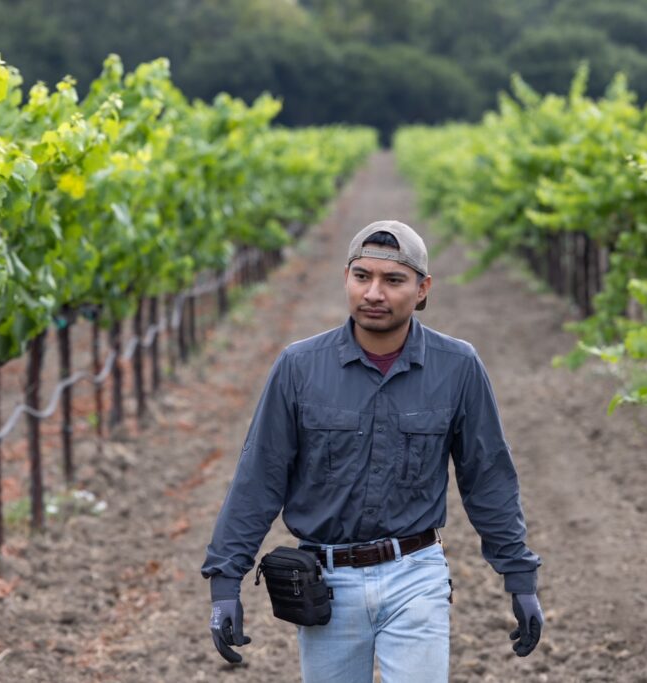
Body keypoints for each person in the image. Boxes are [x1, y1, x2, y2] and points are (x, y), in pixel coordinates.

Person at [201, 220, 543, 682]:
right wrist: (226, 581)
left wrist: (518, 578)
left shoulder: (458, 367)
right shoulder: (299, 367)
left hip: (415, 575)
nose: (374, 293)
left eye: (393, 280)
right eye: (362, 276)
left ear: (422, 289)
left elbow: (488, 479)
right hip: (326, 582)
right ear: (346, 278)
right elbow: (259, 476)